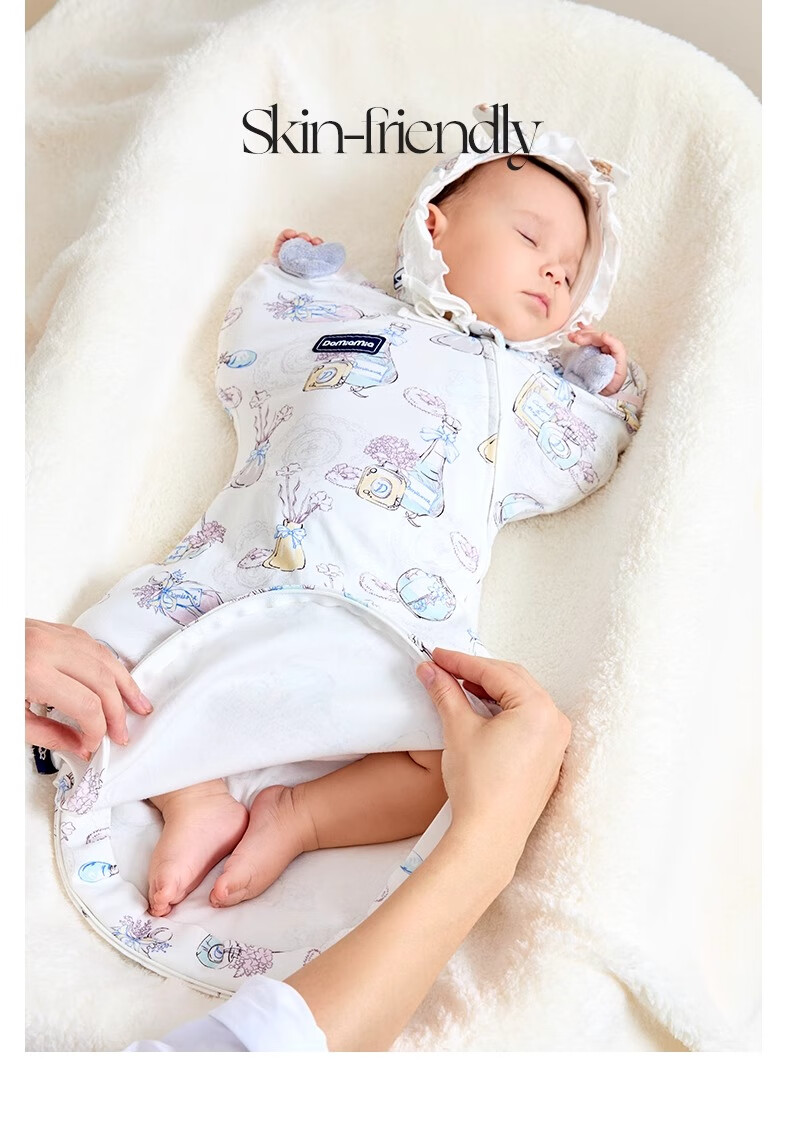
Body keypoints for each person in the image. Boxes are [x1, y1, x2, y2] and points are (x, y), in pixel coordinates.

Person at [53, 126, 646, 922]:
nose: (552, 270)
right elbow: (254, 350)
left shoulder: (520, 388)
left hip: (392, 621)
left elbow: (580, 457)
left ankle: (302, 815)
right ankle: (193, 796)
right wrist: (295, 278)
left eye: (569, 272)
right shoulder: (344, 313)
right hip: (242, 572)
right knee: (103, 660)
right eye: (531, 238)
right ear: (434, 228)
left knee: (467, 755)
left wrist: (599, 389)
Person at [26, 617, 570, 1052]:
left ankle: (294, 812)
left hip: (360, 652)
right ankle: (195, 792)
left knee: (450, 754)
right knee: (114, 679)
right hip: (232, 623)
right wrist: (491, 840)